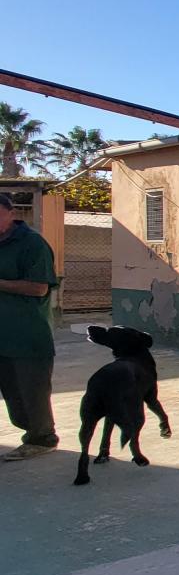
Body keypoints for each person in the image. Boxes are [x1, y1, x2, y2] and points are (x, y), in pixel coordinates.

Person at [0, 193, 60, 460]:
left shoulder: (31, 243)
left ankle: (42, 438)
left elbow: (39, 287)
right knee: (12, 393)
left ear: (11, 214)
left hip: (26, 333)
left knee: (31, 391)